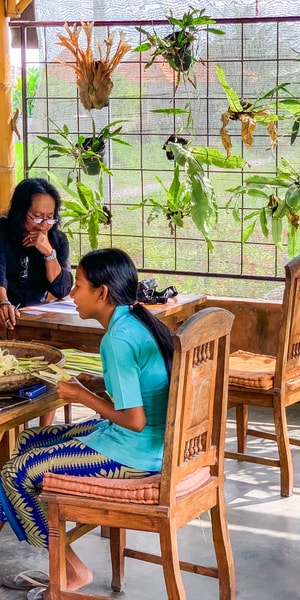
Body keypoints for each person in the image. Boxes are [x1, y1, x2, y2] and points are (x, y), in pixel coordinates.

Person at [0, 248, 174, 599]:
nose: (71, 293)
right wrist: (98, 385)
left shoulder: (118, 338)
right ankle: (58, 553)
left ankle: (69, 570)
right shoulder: (135, 320)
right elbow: (140, 390)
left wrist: (82, 396)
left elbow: (134, 420)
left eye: (78, 285)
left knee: (13, 474)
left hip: (134, 453)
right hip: (147, 444)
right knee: (30, 441)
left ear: (102, 293)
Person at [0, 177, 73, 329]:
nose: (44, 225)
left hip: (34, 317)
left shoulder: (57, 239)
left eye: (49, 217)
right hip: (5, 310)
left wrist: (48, 252)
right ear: (21, 212)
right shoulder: (2, 230)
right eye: (37, 217)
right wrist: (4, 302)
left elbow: (62, 290)